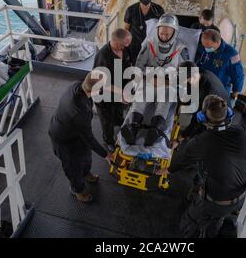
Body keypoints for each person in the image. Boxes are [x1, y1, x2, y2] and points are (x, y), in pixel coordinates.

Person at [169, 95, 246, 238]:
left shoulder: (201, 141)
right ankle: (215, 222)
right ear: (229, 115)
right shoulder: (243, 133)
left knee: (188, 224)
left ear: (203, 118)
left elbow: (181, 161)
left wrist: (166, 170)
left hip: (215, 203)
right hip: (241, 197)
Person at [120, 14, 189, 147]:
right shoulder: (149, 44)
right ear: (157, 31)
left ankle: (155, 130)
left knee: (164, 104)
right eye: (162, 33)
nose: (163, 37)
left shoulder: (181, 49)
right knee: (140, 100)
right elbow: (138, 68)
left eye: (167, 34)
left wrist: (167, 82)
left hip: (168, 84)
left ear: (174, 33)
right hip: (148, 81)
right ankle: (132, 127)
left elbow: (185, 75)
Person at [49, 72, 112, 203]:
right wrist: (106, 155)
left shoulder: (78, 85)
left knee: (85, 154)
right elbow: (89, 138)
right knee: (73, 166)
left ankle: (86, 173)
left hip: (75, 131)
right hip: (63, 138)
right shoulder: (79, 111)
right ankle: (77, 190)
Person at [93, 29, 133, 151]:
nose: (127, 47)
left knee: (118, 113)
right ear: (115, 42)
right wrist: (122, 93)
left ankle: (118, 122)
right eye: (124, 45)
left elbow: (129, 65)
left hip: (118, 91)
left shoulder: (125, 49)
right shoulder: (103, 56)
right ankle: (108, 141)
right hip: (103, 96)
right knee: (107, 121)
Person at [177, 61, 229, 139]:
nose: (187, 83)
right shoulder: (201, 72)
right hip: (212, 102)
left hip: (219, 115)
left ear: (193, 76)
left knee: (200, 132)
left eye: (187, 81)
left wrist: (182, 137)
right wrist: (182, 103)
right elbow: (189, 90)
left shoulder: (206, 94)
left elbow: (197, 120)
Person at [195, 29, 244, 107]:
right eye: (204, 45)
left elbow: (238, 75)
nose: (206, 48)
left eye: (208, 46)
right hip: (204, 86)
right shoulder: (205, 48)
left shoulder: (231, 54)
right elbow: (199, 63)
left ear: (217, 42)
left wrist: (235, 94)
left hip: (220, 90)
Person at [124, 0, 165, 64]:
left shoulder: (158, 10)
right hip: (134, 46)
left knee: (149, 71)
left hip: (151, 47)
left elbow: (162, 28)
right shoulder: (131, 10)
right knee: (135, 71)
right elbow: (126, 29)